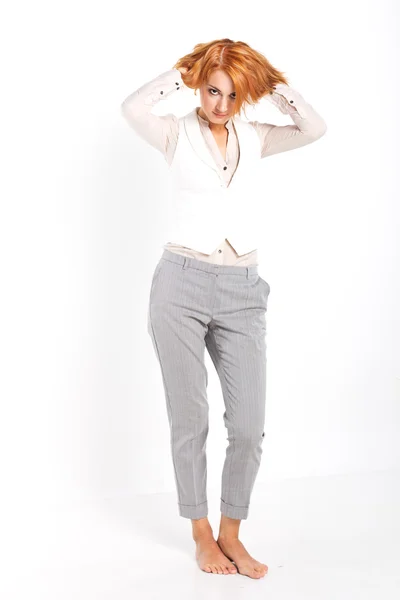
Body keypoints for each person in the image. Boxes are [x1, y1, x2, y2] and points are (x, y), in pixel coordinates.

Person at [121, 38, 327, 578]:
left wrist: (271, 84)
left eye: (233, 95)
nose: (220, 105)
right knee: (190, 420)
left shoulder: (256, 137)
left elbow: (314, 128)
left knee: (249, 424)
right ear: (200, 88)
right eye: (213, 91)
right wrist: (184, 71)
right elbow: (132, 108)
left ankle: (233, 531)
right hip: (180, 286)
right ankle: (201, 533)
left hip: (242, 289)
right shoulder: (173, 133)